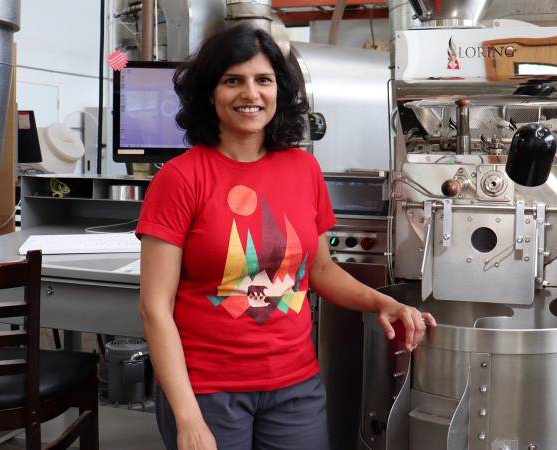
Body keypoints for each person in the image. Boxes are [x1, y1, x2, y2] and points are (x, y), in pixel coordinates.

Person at [136, 24, 437, 450]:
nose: (250, 93)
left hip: (294, 387)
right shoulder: (180, 178)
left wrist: (382, 302)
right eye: (233, 80)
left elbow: (319, 269)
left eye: (263, 80)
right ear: (209, 92)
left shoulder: (303, 169)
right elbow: (154, 308)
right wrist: (187, 417)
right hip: (208, 390)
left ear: (280, 90)